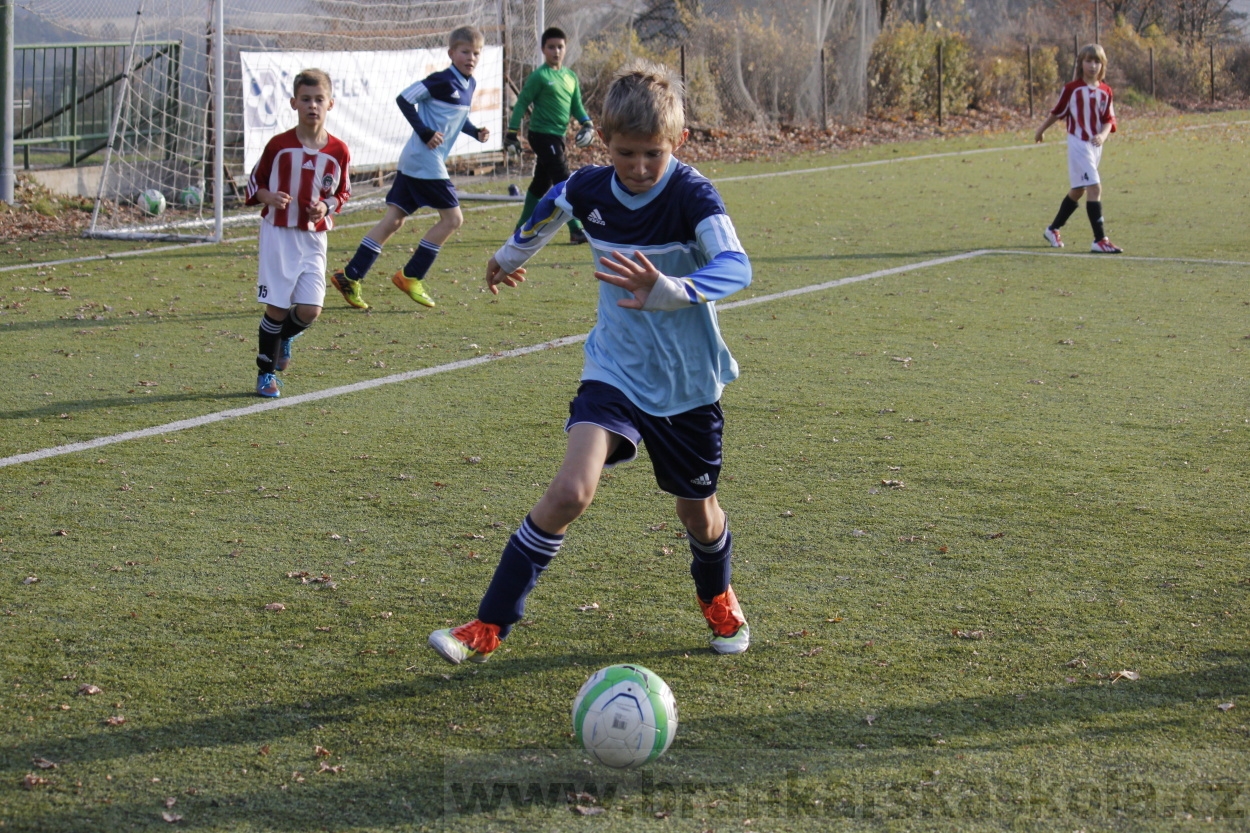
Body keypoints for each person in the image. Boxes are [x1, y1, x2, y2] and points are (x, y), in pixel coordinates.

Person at [428, 60, 753, 665]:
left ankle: (718, 596)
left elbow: (737, 267)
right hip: (615, 371)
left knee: (698, 515)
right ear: (605, 143)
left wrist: (673, 290)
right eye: (626, 154)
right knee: (572, 490)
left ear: (675, 143)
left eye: (652, 154)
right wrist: (508, 253)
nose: (638, 168)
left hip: (686, 385)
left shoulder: (691, 194)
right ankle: (488, 625)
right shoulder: (592, 188)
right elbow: (553, 203)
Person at [330, 26, 491, 311]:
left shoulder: (470, 84)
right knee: (453, 219)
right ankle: (411, 275)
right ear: (451, 53)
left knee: (394, 220)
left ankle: (350, 275)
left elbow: (454, 119)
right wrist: (425, 132)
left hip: (417, 161)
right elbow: (404, 98)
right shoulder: (440, 80)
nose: (471, 57)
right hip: (424, 160)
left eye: (476, 53)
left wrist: (474, 131)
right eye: (465, 51)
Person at [245, 68, 350, 398]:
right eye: (306, 99)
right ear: (294, 103)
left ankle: (284, 337)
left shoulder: (338, 151)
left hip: (314, 237)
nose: (312, 106)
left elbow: (342, 193)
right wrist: (269, 197)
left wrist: (327, 206)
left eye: (319, 99)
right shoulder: (279, 146)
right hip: (279, 234)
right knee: (276, 307)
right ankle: (266, 374)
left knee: (309, 310)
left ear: (330, 104)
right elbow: (254, 184)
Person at [506, 26, 595, 244]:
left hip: (558, 137)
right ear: (543, 50)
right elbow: (522, 103)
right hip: (541, 135)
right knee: (564, 179)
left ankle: (520, 227)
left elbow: (577, 106)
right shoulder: (539, 76)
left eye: (560, 47)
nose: (556, 51)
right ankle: (575, 230)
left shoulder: (570, 76)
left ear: (566, 49)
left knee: (540, 183)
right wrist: (511, 133)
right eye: (551, 47)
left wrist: (587, 123)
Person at [1035, 43, 1122, 254]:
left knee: (1079, 190)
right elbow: (1057, 112)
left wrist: (1102, 135)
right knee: (1095, 188)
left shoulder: (1106, 91)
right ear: (1081, 64)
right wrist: (1041, 129)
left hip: (1094, 146)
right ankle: (1100, 239)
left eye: (1097, 61)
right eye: (1088, 61)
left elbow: (1108, 119)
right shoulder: (1072, 89)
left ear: (1103, 65)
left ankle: (1052, 228)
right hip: (1078, 143)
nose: (1093, 66)